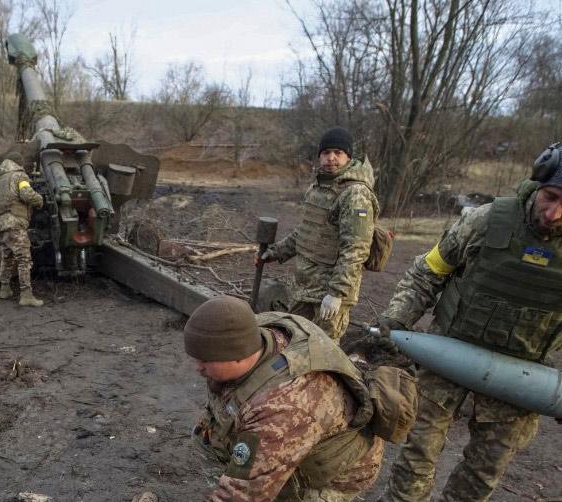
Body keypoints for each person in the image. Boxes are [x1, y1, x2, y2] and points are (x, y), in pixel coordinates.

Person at [376, 142, 562, 501]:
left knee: (483, 471)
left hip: (520, 375)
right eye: (550, 197)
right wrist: (396, 318)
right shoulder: (486, 221)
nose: (553, 214)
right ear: (537, 186)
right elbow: (427, 272)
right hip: (449, 352)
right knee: (418, 454)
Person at [186, 296, 384, 501]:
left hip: (337, 469)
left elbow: (242, 497)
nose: (197, 367)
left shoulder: (280, 407)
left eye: (205, 360)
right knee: (207, 440)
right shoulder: (258, 329)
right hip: (294, 433)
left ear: (237, 356)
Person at [259, 127, 378, 340]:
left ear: (348, 157)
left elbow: (356, 249)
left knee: (322, 351)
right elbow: (306, 231)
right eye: (325, 153)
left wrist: (336, 293)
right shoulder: (318, 186)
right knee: (292, 341)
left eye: (338, 153)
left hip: (329, 293)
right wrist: (275, 252)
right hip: (304, 286)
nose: (331, 158)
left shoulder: (356, 194)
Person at [0, 151, 44, 307]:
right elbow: (27, 195)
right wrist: (40, 200)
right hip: (15, 223)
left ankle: (5, 289)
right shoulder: (19, 176)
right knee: (24, 258)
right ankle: (26, 295)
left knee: (7, 256)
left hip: (1, 225)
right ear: (18, 163)